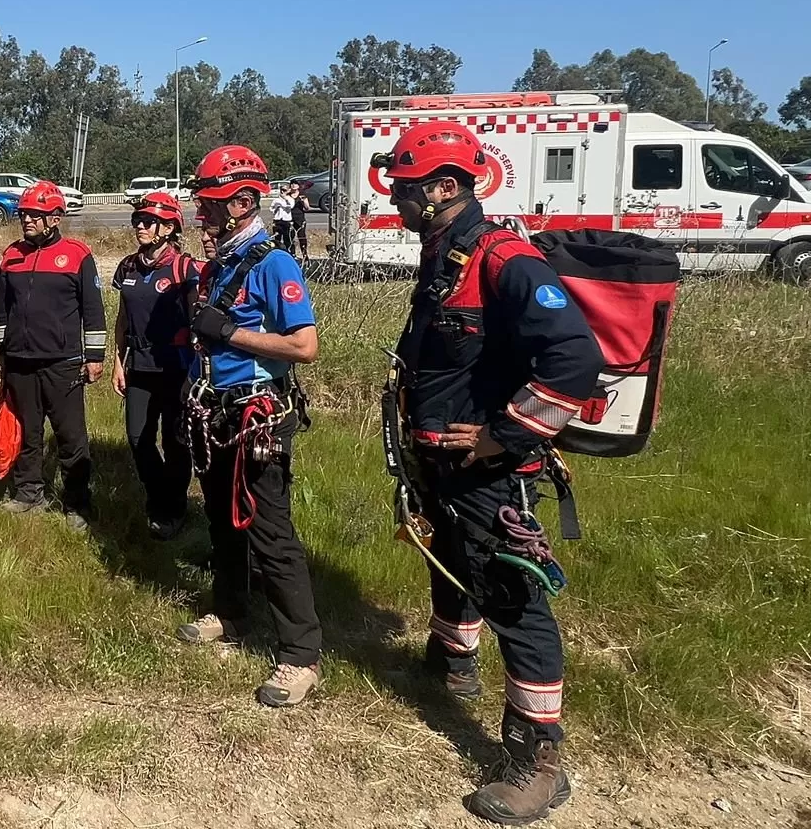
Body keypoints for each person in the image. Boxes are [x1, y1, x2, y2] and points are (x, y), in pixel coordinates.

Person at [379, 119, 602, 825]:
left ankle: (538, 762)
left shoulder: (505, 259)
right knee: (450, 558)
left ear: (445, 188)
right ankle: (451, 660)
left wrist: (503, 437)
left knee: (514, 600)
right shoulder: (445, 249)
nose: (397, 201)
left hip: (491, 473)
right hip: (442, 460)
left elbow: (574, 360)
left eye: (406, 189)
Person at [175, 144, 324, 709]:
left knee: (269, 532)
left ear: (241, 202)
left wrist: (229, 334)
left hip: (256, 415)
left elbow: (303, 346)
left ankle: (300, 655)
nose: (200, 212)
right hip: (214, 410)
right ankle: (232, 611)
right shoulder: (219, 266)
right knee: (220, 518)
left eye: (209, 203)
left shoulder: (273, 264)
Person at [0, 180, 106, 524]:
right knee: (28, 432)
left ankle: (76, 502)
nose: (26, 220)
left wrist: (95, 356)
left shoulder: (77, 255)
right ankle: (29, 493)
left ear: (55, 218)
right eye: (24, 214)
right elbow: (2, 310)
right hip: (19, 362)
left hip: (64, 363)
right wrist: (2, 352)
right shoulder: (11, 255)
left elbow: (94, 309)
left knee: (70, 436)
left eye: (35, 215)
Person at [108, 190, 200, 539]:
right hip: (139, 368)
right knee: (137, 438)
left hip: (176, 369)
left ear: (168, 228)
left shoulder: (184, 268)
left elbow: (196, 324)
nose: (140, 227)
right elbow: (122, 319)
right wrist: (118, 362)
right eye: (138, 221)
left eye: (148, 222)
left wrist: (197, 372)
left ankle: (173, 509)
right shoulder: (128, 266)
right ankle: (161, 494)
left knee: (176, 443)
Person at [271, 181, 297, 250]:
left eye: (284, 190)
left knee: (287, 238)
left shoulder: (290, 199)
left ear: (288, 191)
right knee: (277, 238)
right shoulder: (276, 200)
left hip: (286, 220)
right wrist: (276, 208)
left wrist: (285, 199)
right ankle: (278, 250)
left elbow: (290, 206)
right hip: (278, 220)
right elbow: (272, 209)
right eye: (281, 190)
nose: (282, 192)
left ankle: (288, 251)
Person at [290, 182, 311, 259]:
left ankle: (305, 255)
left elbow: (307, 208)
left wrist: (304, 201)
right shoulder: (288, 195)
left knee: (302, 237)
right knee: (290, 237)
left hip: (300, 218)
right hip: (290, 218)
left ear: (298, 186)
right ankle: (292, 254)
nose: (293, 185)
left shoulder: (302, 195)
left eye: (295, 184)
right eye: (292, 184)